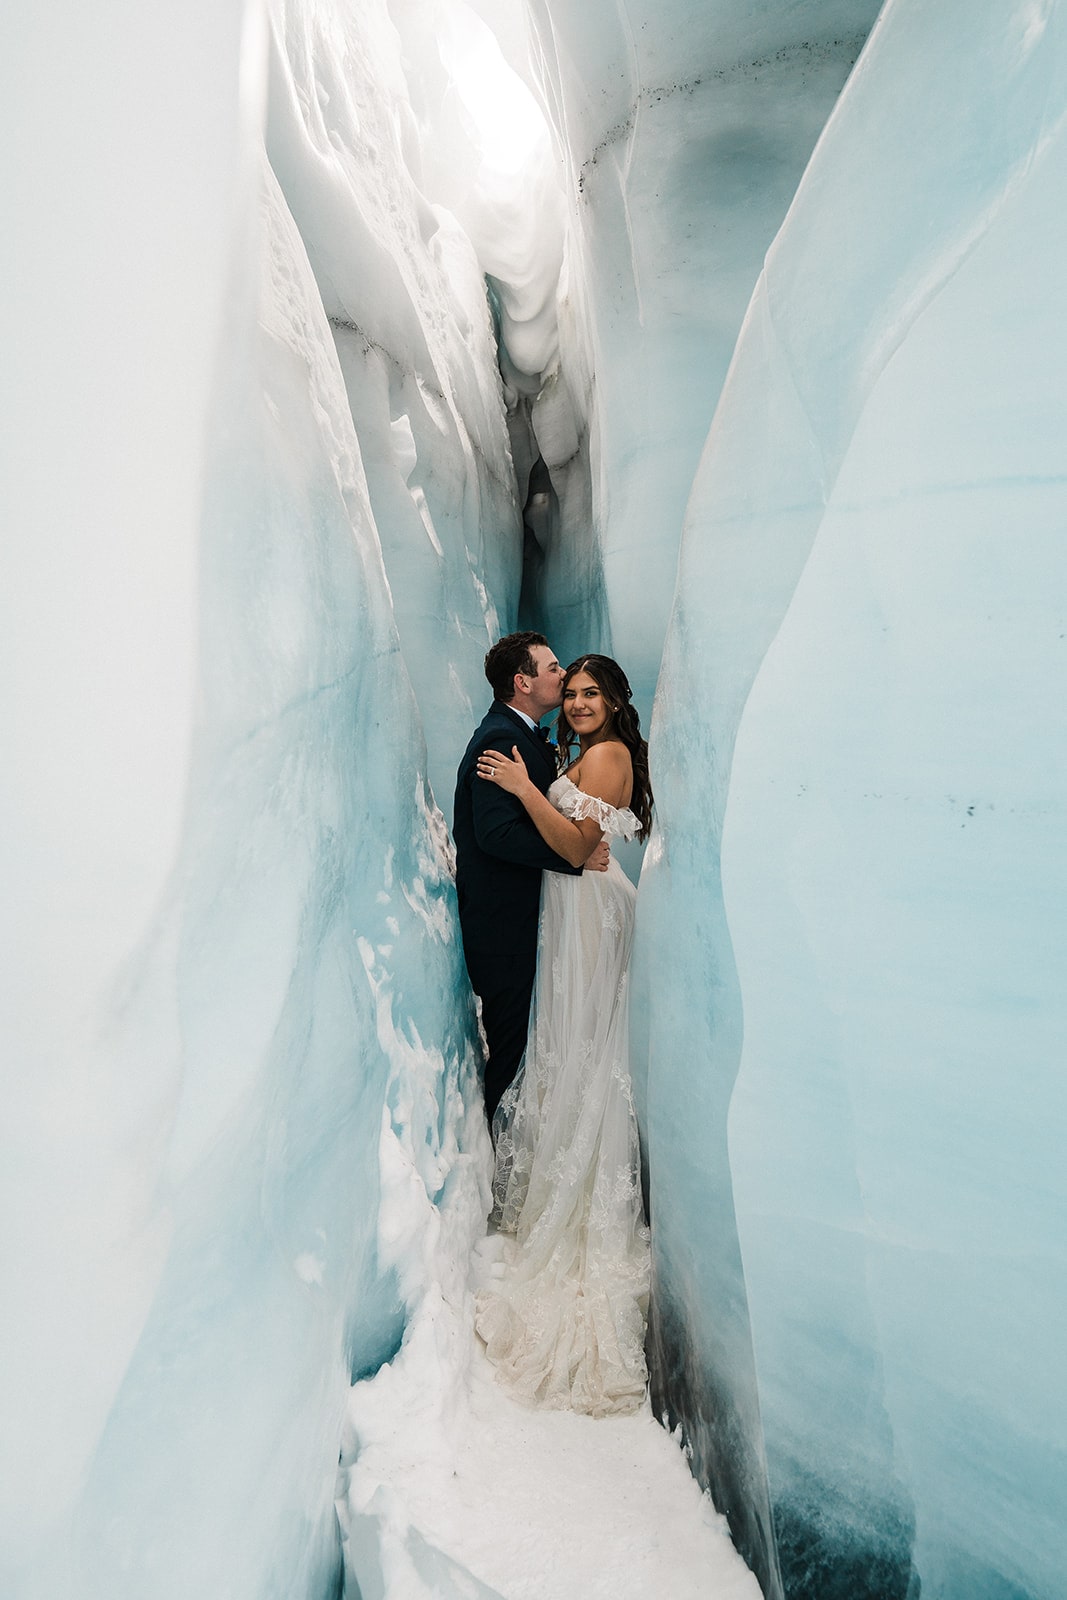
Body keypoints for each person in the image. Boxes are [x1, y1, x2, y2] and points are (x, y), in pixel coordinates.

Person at [472, 654, 655, 1417]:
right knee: (568, 1044)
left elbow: (579, 849)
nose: (577, 702)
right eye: (569, 691)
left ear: (615, 700)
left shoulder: (608, 755)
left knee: (580, 1046)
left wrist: (520, 789)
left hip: (587, 909)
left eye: (590, 692)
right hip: (574, 907)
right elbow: (585, 837)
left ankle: (570, 1200)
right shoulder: (585, 752)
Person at [453, 632, 610, 1127]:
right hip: (504, 926)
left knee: (528, 1043)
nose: (563, 676)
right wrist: (575, 856)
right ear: (522, 682)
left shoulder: (518, 733)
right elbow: (496, 834)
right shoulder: (501, 738)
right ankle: (500, 1168)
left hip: (525, 920)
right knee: (512, 1047)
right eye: (552, 668)